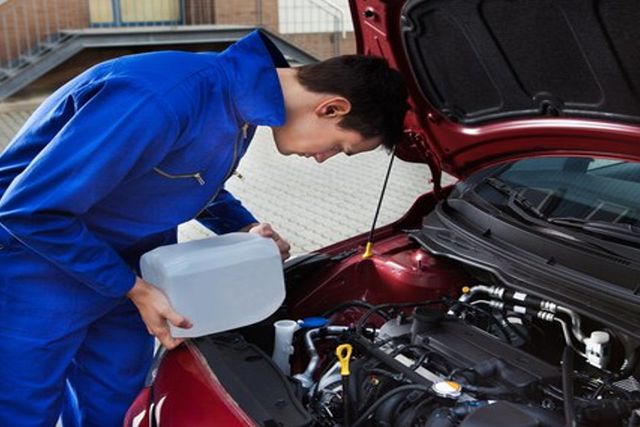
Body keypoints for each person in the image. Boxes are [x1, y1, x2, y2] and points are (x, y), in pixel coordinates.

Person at [0, 30, 408, 425]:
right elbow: (29, 210)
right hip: (38, 263)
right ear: (331, 108)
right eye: (340, 146)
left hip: (133, 264)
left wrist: (243, 225)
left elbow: (183, 176)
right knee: (24, 406)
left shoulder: (239, 107)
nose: (324, 159)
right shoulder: (161, 98)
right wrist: (134, 289)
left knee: (116, 403)